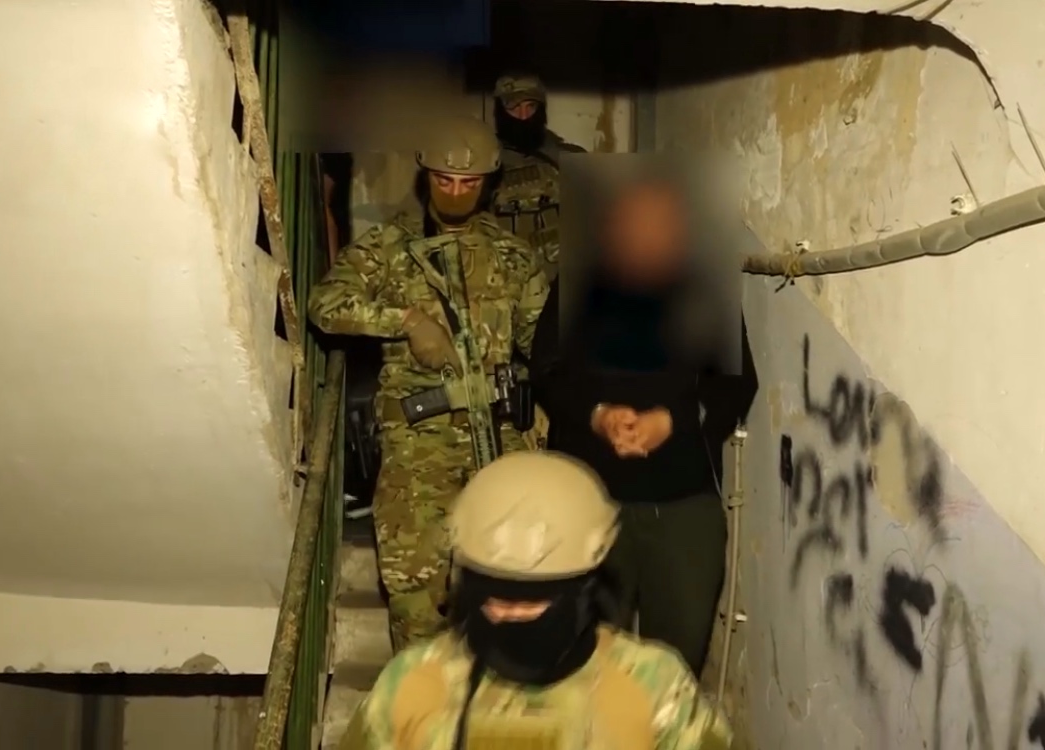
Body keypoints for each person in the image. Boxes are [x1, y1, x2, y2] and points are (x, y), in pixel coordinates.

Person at [308, 115, 549, 653]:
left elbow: (543, 344)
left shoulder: (513, 256)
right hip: (419, 448)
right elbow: (325, 304)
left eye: (469, 183)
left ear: (487, 182)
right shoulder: (389, 246)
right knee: (416, 594)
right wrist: (406, 320)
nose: (456, 192)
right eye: (445, 180)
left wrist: (544, 408)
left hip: (501, 438)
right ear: (426, 176)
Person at [336, 451, 735, 750]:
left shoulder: (653, 687)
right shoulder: (412, 685)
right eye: (495, 599)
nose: (510, 614)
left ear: (585, 588)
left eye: (534, 602)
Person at [529, 173, 758, 677]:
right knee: (584, 663)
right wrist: (598, 415)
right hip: (588, 503)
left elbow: (737, 383)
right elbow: (546, 371)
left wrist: (672, 421)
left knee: (673, 666)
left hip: (681, 508)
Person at [490, 73, 586, 281]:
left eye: (531, 106)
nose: (524, 116)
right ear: (500, 111)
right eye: (514, 107)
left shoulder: (568, 158)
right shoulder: (483, 161)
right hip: (503, 283)